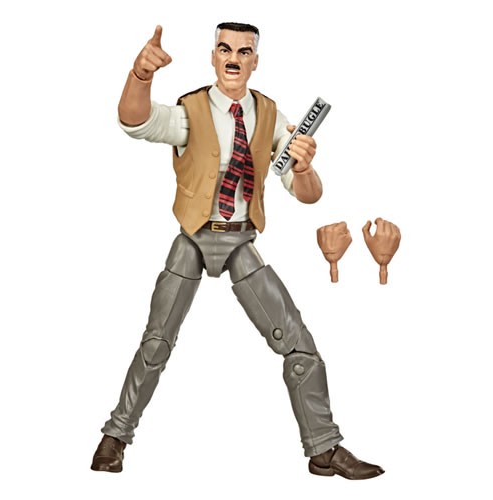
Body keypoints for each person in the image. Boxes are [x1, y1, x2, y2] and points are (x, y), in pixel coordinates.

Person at [91, 22, 384, 480]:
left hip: (240, 239)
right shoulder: (191, 110)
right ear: (213, 56)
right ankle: (115, 436)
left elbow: (305, 192)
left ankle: (324, 447)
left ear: (255, 61)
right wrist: (141, 75)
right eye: (225, 49)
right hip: (193, 236)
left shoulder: (269, 116)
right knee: (156, 342)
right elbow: (137, 122)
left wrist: (303, 167)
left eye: (244, 51)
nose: (233, 58)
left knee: (296, 341)